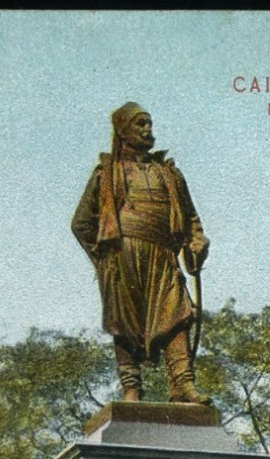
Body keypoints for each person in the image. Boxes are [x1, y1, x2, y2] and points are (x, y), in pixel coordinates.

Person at [72, 102, 212, 405]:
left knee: (178, 315)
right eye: (140, 124)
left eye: (149, 123)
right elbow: (81, 223)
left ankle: (182, 385)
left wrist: (197, 242)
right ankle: (131, 390)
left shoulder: (169, 174)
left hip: (162, 257)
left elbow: (191, 219)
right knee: (124, 321)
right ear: (123, 130)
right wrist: (103, 260)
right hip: (122, 258)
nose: (148, 130)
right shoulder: (106, 174)